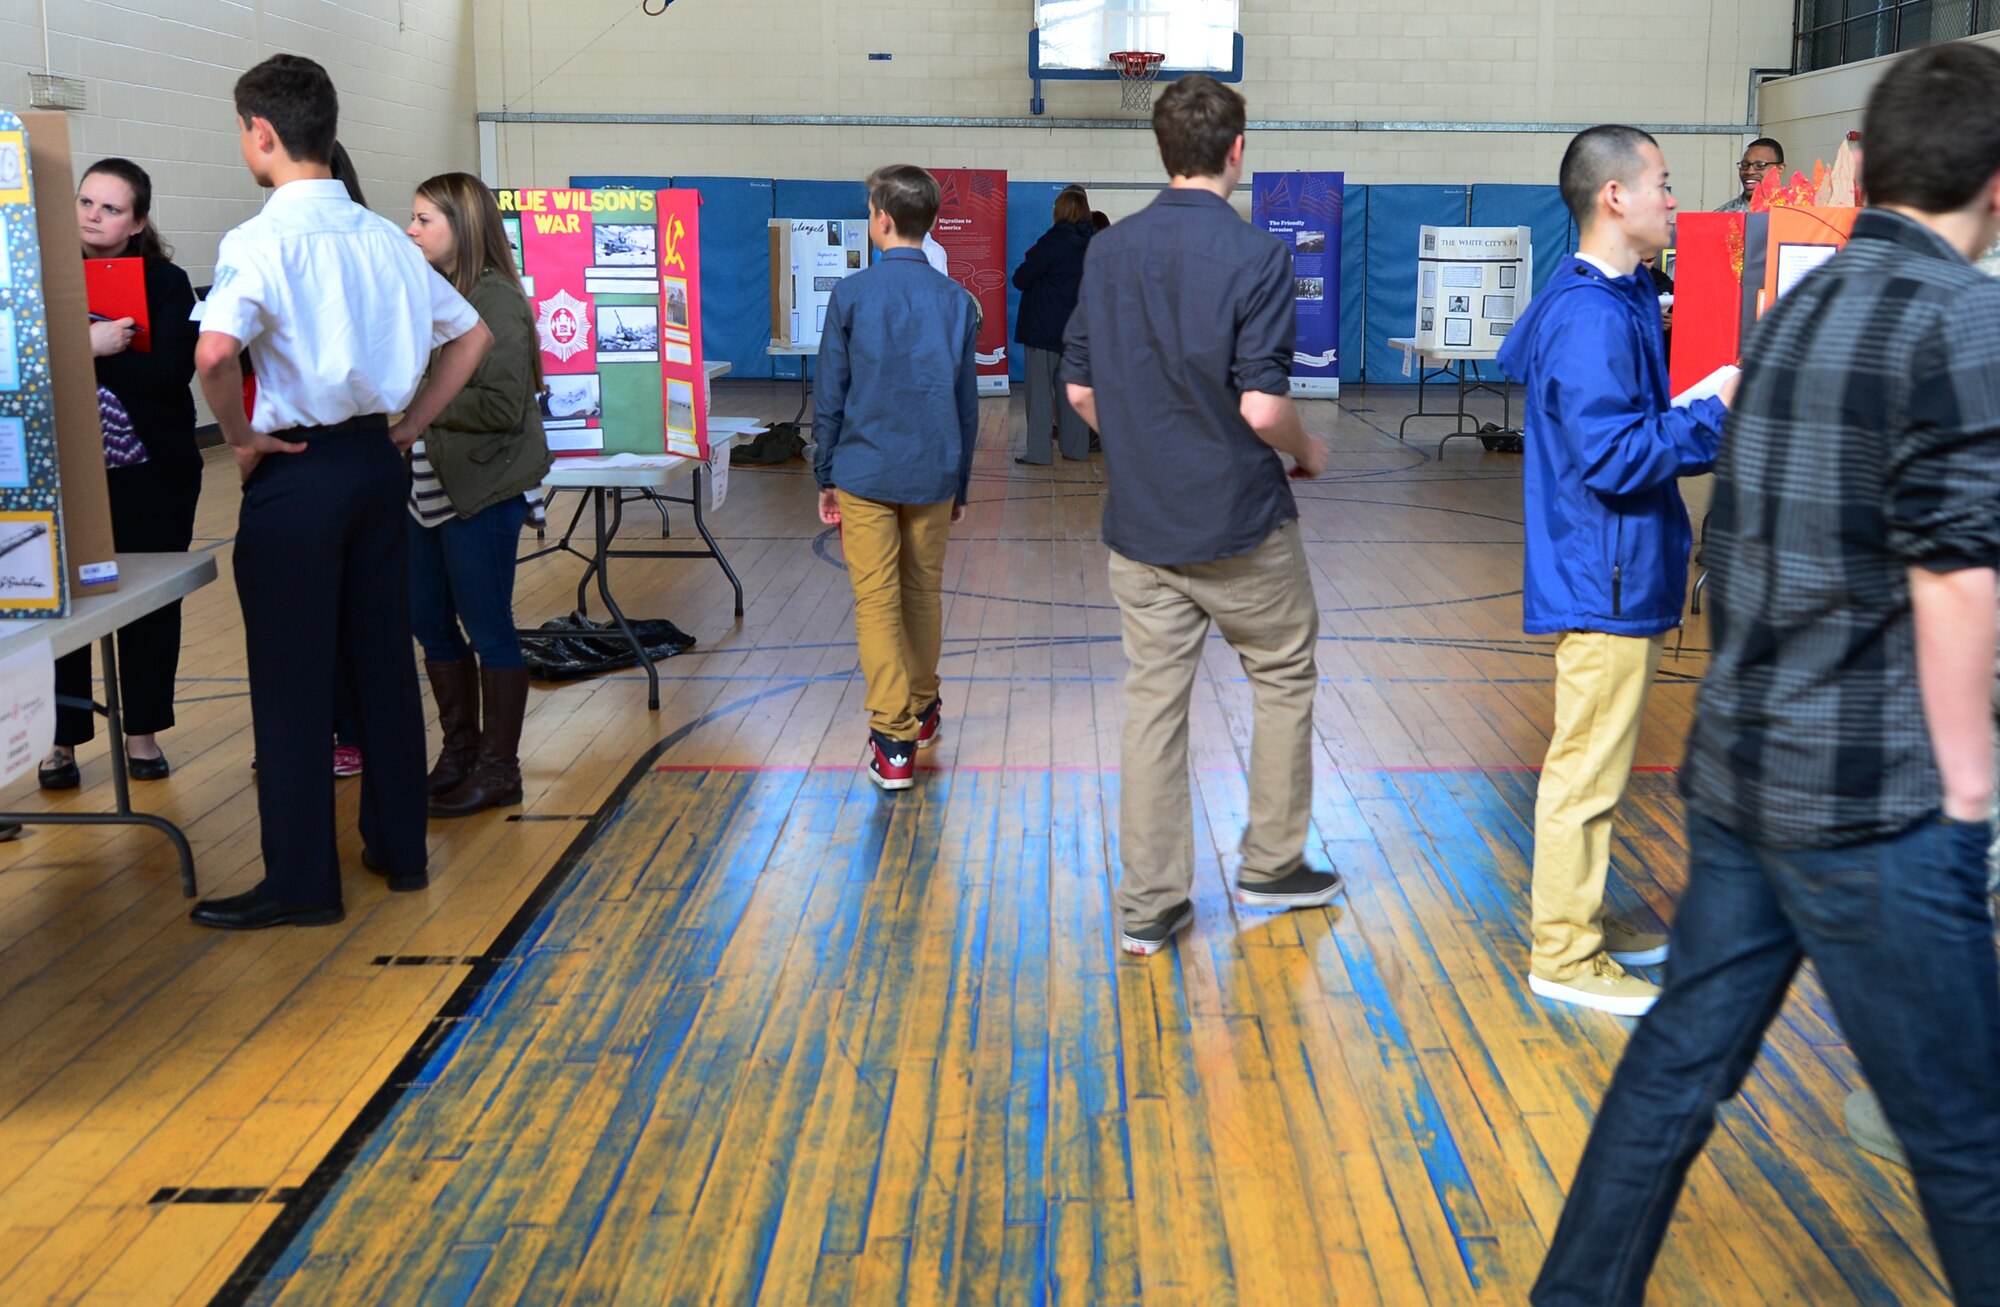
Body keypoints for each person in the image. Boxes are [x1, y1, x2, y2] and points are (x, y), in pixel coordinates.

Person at [1533, 45, 2000, 1303]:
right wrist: (1966, 790)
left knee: (1670, 1076)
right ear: (1991, 183)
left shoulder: (1800, 306)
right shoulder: (1961, 317)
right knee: (1964, 1136)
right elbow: (1955, 576)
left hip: (1744, 770)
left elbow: (1738, 531)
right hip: (1875, 799)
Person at [189, 54, 492, 925]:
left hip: (299, 469)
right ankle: (400, 852)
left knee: (293, 678)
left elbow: (215, 352)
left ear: (261, 133)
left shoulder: (260, 241)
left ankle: (300, 882)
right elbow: (470, 336)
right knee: (381, 662)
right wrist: (410, 424)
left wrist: (239, 437)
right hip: (373, 463)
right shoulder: (384, 239)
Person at [1062, 75, 1341, 957]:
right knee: (1283, 674)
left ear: (1162, 149)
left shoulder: (1108, 250)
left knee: (1153, 706)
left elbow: (1079, 390)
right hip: (1240, 522)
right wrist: (1308, 449)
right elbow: (1262, 406)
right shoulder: (1257, 254)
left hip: (1141, 525)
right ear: (1238, 150)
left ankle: (1148, 906)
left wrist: (1142, 446)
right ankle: (1272, 863)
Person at [1495, 125, 1730, 1016]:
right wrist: (1714, 413)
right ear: (1615, 197)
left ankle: (1582, 924)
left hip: (1616, 567)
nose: (1674, 198)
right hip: (1607, 576)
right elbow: (1617, 456)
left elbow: (1628, 422)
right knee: (1585, 775)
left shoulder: (1616, 296)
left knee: (1596, 768)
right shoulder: (1591, 315)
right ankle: (1563, 953)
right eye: (1662, 183)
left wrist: (1692, 400)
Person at [814, 164, 979, 791]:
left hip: (864, 470)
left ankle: (893, 741)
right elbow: (967, 404)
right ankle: (924, 704)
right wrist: (961, 482)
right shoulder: (956, 301)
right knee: (922, 594)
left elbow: (831, 394)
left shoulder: (852, 295)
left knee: (877, 601)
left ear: (882, 219)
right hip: (934, 470)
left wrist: (825, 473)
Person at [40, 159, 201, 791]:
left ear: (137, 222)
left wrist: (98, 353)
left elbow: (169, 375)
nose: (92, 215)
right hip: (65, 471)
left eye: (110, 208)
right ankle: (61, 740)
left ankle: (143, 733)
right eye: (86, 201)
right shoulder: (42, 276)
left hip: (153, 471)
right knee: (65, 606)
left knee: (149, 605)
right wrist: (90, 344)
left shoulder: (167, 282)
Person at [403, 172, 552, 818]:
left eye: (423, 220)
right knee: (430, 622)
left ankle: (499, 770)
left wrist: (414, 398)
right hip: (426, 489)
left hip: (483, 489)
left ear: (461, 226)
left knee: (489, 628)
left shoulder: (496, 299)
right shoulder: (433, 289)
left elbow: (500, 406)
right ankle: (459, 753)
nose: (411, 230)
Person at [1011, 184, 1094, 466]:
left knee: (1040, 393)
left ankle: (1039, 452)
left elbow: (1021, 278)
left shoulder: (1053, 241)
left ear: (1060, 211)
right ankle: (1076, 449)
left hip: (1043, 328)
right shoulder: (1094, 244)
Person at [1716, 136, 1783, 212]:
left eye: (1760, 165)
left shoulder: (1792, 211)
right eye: (1744, 165)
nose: (1749, 171)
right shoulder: (1723, 214)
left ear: (1780, 169)